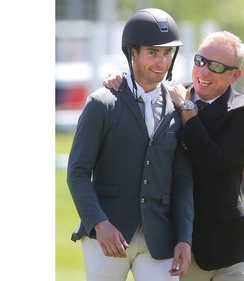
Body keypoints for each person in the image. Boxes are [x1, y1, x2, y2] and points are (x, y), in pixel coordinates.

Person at [104, 30, 244, 281]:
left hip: (229, 249)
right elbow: (141, 90)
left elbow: (213, 161)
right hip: (179, 244)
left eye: (216, 66)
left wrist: (187, 110)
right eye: (200, 61)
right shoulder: (171, 97)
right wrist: (120, 80)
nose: (204, 71)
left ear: (235, 75)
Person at [67, 8, 194, 281]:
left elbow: (183, 179)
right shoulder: (101, 103)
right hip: (107, 236)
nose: (162, 61)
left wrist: (184, 238)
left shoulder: (177, 106)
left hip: (159, 239)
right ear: (132, 53)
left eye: (167, 53)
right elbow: (77, 172)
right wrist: (99, 224)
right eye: (153, 52)